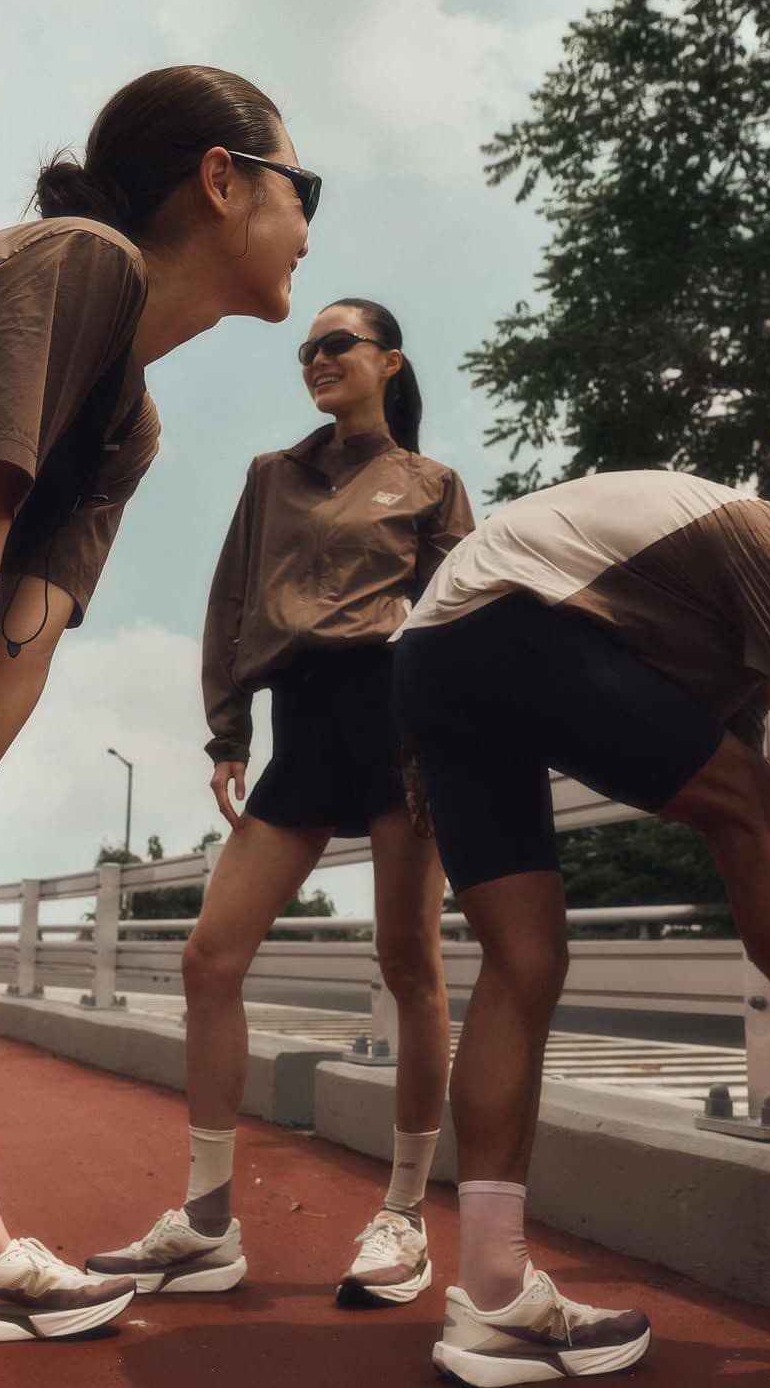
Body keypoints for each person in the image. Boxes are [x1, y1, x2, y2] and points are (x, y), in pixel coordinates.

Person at [0, 64, 319, 1385]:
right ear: (222, 178)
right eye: (299, 186)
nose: (311, 226)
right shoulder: (83, 262)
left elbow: (17, 641)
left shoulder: (130, 418)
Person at [390, 469, 770, 1384]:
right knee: (754, 801)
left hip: (432, 653)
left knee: (523, 962)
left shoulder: (727, 627)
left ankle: (493, 1298)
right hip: (502, 624)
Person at [86, 299, 474, 1307]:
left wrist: (450, 742)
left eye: (338, 343)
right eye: (307, 349)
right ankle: (209, 1221)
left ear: (390, 358)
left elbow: (460, 619)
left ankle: (402, 1214)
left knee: (409, 962)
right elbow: (229, 600)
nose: (317, 358)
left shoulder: (432, 485)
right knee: (209, 954)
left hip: (396, 724)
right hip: (298, 726)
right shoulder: (273, 475)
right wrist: (228, 731)